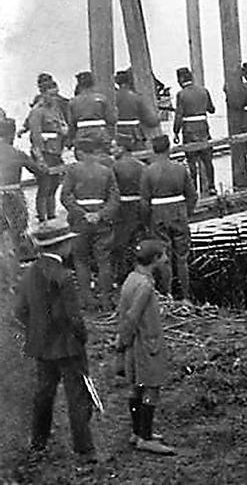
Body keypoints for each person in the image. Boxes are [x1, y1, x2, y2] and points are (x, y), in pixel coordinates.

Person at [14, 220, 96, 464]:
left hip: (41, 345)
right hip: (68, 346)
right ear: (63, 246)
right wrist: (81, 337)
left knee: (44, 394)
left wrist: (36, 330)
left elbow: (19, 311)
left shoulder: (28, 273)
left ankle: (38, 443)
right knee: (77, 396)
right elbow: (72, 317)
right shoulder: (64, 276)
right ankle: (84, 449)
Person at [116, 239, 176, 455]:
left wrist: (122, 344)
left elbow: (124, 315)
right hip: (147, 344)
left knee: (136, 388)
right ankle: (146, 437)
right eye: (163, 255)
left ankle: (137, 431)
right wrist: (121, 345)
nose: (167, 259)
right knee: (151, 388)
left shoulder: (131, 279)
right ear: (154, 260)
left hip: (135, 344)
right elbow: (132, 318)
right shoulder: (146, 286)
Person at [60, 138, 119, 309]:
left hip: (80, 222)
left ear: (80, 152)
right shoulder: (106, 171)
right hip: (102, 222)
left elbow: (65, 196)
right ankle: (106, 299)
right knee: (104, 259)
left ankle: (87, 300)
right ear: (94, 152)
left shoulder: (73, 171)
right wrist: (100, 214)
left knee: (81, 260)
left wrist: (83, 214)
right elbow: (115, 198)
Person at [141, 135, 197, 300]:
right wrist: (187, 213)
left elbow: (144, 202)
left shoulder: (148, 171)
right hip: (179, 212)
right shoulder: (180, 169)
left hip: (158, 214)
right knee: (182, 258)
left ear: (153, 149)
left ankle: (167, 294)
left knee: (164, 257)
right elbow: (192, 196)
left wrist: (146, 222)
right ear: (169, 148)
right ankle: (186, 296)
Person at [1, 117, 43, 279]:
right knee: (16, 235)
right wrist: (37, 155)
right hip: (12, 197)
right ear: (11, 134)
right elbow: (41, 172)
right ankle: (15, 274)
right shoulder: (17, 154)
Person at [27, 81, 69, 222]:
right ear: (43, 94)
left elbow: (62, 126)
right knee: (45, 186)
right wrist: (39, 159)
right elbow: (35, 137)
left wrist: (64, 132)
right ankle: (43, 218)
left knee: (55, 185)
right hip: (44, 152)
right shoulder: (37, 112)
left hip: (56, 152)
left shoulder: (56, 110)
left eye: (56, 94)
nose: (55, 97)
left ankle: (52, 215)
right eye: (51, 94)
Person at [173, 67, 215, 196]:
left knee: (191, 161)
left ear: (180, 79)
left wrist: (175, 131)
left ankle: (194, 188)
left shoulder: (181, 94)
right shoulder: (204, 91)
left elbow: (179, 115)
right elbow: (211, 109)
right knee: (208, 160)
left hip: (189, 130)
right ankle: (212, 186)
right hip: (203, 127)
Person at [109, 143, 146, 283]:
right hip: (139, 206)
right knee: (140, 239)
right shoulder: (142, 166)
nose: (112, 151)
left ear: (122, 148)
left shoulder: (115, 167)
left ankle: (122, 275)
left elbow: (112, 191)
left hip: (123, 208)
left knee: (121, 244)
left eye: (114, 147)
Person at [68, 71, 116, 151]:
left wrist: (70, 141)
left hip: (82, 134)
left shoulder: (73, 102)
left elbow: (71, 124)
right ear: (93, 84)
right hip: (101, 133)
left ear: (79, 85)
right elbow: (112, 119)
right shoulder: (102, 99)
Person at [113, 70, 159, 151]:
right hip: (134, 135)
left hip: (118, 135)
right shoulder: (136, 98)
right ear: (130, 82)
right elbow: (152, 121)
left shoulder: (112, 98)